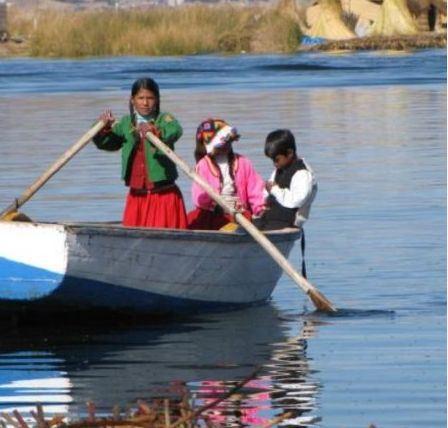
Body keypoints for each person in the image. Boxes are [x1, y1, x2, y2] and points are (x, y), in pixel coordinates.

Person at [93, 77, 188, 229]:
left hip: (163, 196)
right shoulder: (125, 123)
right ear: (132, 100)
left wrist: (155, 131)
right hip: (137, 196)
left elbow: (175, 131)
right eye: (141, 98)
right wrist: (103, 128)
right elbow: (108, 143)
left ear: (157, 100)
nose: (145, 103)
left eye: (150, 98)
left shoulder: (164, 120)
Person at [187, 118, 265, 230]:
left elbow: (255, 189)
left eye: (228, 142)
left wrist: (259, 209)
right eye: (222, 143)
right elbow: (198, 196)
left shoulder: (243, 162)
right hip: (213, 214)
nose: (226, 145)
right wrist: (216, 205)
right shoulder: (203, 165)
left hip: (239, 214)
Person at [254, 129, 317, 231]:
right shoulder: (279, 169)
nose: (274, 164)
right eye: (272, 160)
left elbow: (296, 201)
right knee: (240, 227)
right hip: (269, 219)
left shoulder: (302, 174)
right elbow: (267, 192)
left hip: (287, 224)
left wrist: (275, 190)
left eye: (277, 159)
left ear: (289, 153)